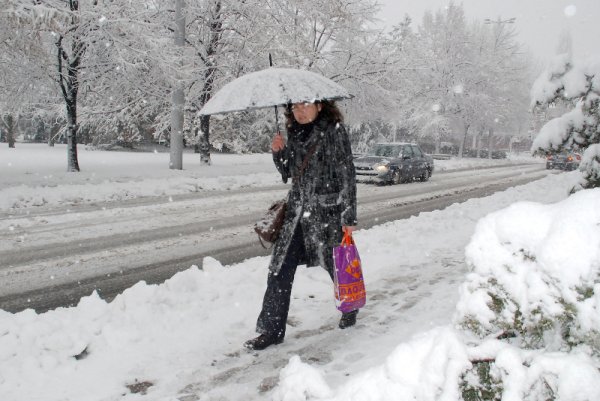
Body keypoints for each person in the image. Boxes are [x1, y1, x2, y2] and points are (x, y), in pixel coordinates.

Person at [244, 100, 358, 351]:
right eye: (295, 107)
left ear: (319, 106)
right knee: (279, 268)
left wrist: (348, 217)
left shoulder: (334, 131)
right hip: (296, 213)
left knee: (336, 265)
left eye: (305, 105)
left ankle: (350, 306)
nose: (300, 111)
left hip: (327, 213)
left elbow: (347, 173)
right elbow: (289, 172)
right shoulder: (294, 133)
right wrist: (278, 153)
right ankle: (271, 330)